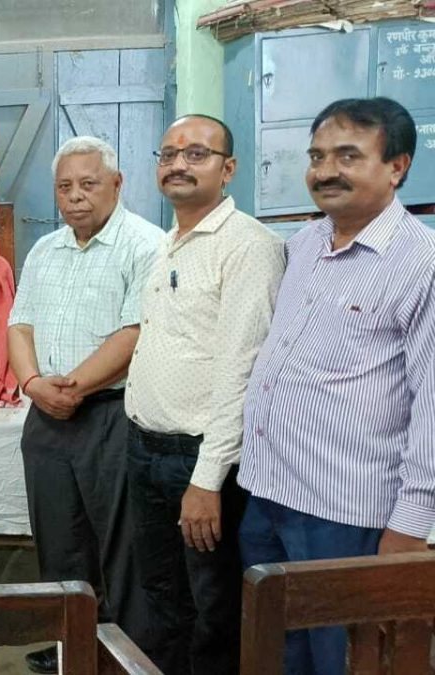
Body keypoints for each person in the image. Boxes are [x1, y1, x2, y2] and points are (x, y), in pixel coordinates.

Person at [239, 97, 435, 674]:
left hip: (347, 514)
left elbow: (432, 406)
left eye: (348, 156)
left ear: (397, 166)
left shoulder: (421, 263)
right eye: (317, 156)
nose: (326, 171)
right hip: (268, 496)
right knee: (278, 655)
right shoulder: (303, 246)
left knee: (346, 660)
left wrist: (410, 527)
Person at [124, 114, 285, 675]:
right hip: (144, 448)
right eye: (168, 154)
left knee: (213, 608)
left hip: (200, 460)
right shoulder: (169, 241)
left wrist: (207, 479)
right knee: (161, 597)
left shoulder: (248, 246)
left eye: (196, 154)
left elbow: (243, 369)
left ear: (228, 168)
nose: (178, 164)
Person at [8, 136, 161, 674]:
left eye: (88, 184)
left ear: (117, 184)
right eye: (65, 187)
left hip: (111, 414)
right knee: (58, 540)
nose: (75, 196)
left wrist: (71, 388)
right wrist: (33, 383)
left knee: (122, 546)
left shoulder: (146, 245)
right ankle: (67, 646)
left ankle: (123, 654)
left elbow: (133, 333)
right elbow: (19, 324)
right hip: (45, 414)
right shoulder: (45, 250)